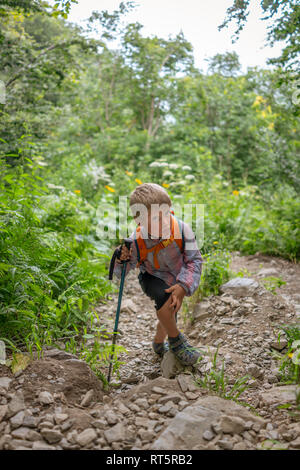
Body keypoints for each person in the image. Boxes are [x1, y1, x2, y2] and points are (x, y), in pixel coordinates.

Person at [113, 182, 203, 366]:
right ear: (139, 222)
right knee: (165, 298)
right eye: (154, 220)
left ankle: (158, 341)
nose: (162, 223)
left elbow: (194, 260)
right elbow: (122, 271)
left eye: (165, 215)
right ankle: (177, 341)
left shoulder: (182, 229)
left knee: (171, 311)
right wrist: (120, 259)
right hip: (151, 276)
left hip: (178, 277)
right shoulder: (137, 240)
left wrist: (183, 286)